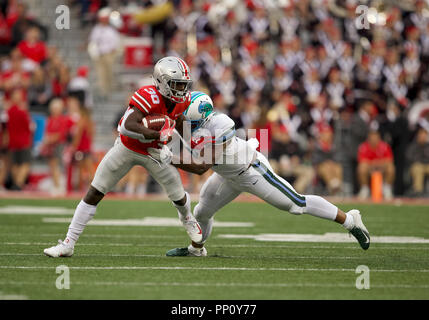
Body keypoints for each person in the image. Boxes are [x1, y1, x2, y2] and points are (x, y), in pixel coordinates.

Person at [166, 92, 370, 257]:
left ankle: (350, 220)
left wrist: (170, 157)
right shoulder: (191, 123)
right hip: (227, 175)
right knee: (202, 212)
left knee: (296, 204)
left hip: (251, 171)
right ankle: (196, 249)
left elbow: (202, 166)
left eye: (186, 114)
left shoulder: (222, 125)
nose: (182, 118)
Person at [43, 56, 202, 257]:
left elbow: (179, 121)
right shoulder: (148, 96)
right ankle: (68, 243)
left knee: (178, 195)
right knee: (95, 192)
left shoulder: (182, 101)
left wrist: (191, 143)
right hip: (127, 148)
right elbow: (127, 126)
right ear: (162, 82)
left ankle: (187, 218)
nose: (181, 89)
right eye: (176, 84)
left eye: (183, 84)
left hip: (155, 152)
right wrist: (157, 133)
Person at [40, 98, 68, 195]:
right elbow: (47, 132)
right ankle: (56, 185)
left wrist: (49, 139)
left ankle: (58, 186)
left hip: (58, 145)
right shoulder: (51, 119)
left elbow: (61, 134)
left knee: (56, 165)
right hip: (51, 145)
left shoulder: (62, 119)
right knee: (52, 166)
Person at [6, 88, 33, 190]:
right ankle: (18, 183)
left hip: (12, 140)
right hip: (24, 140)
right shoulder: (23, 111)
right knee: (25, 163)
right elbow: (29, 126)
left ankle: (15, 183)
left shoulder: (8, 111)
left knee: (15, 163)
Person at [357, 130, 395, 200]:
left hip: (382, 168)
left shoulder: (385, 146)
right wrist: (373, 164)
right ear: (369, 139)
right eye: (372, 138)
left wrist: (377, 163)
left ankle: (386, 188)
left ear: (379, 138)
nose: (374, 140)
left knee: (390, 167)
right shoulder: (363, 147)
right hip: (369, 168)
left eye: (375, 138)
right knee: (362, 167)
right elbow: (362, 160)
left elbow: (389, 160)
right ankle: (365, 188)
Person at [407, 128, 429, 196]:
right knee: (418, 168)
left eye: (424, 135)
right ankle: (418, 192)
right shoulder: (413, 146)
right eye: (421, 135)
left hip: (427, 166)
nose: (422, 137)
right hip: (417, 166)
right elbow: (409, 157)